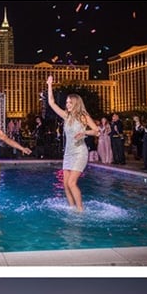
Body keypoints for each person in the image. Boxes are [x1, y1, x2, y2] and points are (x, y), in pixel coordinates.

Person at [46, 77, 99, 211]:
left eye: (70, 102)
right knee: (65, 184)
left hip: (80, 152)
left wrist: (84, 133)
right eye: (66, 102)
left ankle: (80, 210)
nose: (67, 104)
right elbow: (51, 103)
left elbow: (97, 131)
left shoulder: (83, 116)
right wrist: (50, 85)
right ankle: (71, 209)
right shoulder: (66, 116)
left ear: (76, 103)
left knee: (71, 182)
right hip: (68, 153)